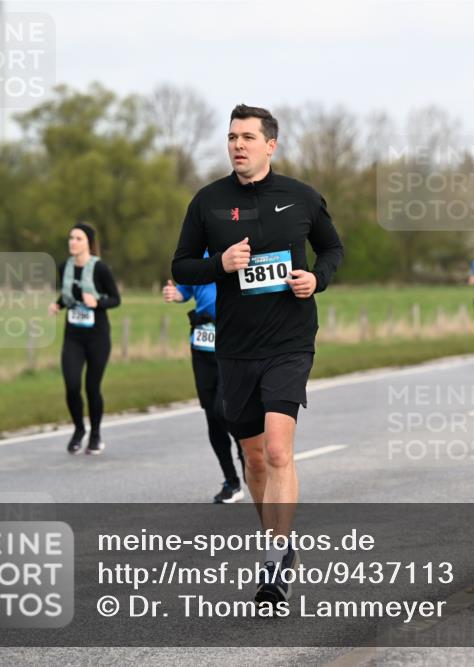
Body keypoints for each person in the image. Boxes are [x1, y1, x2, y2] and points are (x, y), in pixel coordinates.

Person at [171, 104, 343, 605]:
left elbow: (332, 249)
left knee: (277, 450)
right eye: (231, 137)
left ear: (271, 145)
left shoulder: (302, 197)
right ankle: (279, 543)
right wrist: (220, 264)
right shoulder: (208, 202)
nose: (237, 145)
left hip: (290, 341)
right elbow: (181, 266)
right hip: (235, 347)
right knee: (253, 457)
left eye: (247, 137)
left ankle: (273, 559)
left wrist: (317, 279)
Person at [163, 258, 246, 504]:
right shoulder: (197, 255)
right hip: (201, 346)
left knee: (225, 410)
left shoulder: (238, 250)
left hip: (233, 346)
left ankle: (250, 458)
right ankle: (231, 482)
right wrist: (175, 294)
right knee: (212, 415)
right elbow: (186, 291)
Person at [48, 223, 121, 454]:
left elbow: (116, 299)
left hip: (97, 337)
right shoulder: (64, 267)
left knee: (92, 387)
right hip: (73, 337)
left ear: (88, 242)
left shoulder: (100, 268)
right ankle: (79, 429)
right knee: (71, 385)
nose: (73, 242)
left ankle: (95, 434)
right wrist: (58, 304)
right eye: (71, 237)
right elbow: (68, 295)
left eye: (78, 238)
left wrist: (97, 303)